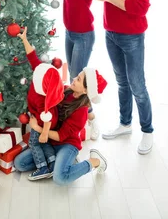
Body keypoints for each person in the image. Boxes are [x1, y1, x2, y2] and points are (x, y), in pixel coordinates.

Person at [87, 0, 154, 155]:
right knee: (122, 82)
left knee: (137, 85)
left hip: (131, 37)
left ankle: (147, 131)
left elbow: (141, 7)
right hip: (111, 33)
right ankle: (125, 124)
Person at [34, 0, 104, 140]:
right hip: (71, 33)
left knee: (76, 80)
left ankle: (91, 120)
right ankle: (84, 117)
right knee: (74, 79)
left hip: (83, 36)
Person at [13, 39, 109, 185]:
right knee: (20, 163)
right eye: (77, 77)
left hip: (66, 144)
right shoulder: (64, 90)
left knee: (60, 178)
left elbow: (61, 135)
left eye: (78, 79)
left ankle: (95, 161)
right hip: (49, 142)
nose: (74, 79)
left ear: (85, 90)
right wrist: (25, 40)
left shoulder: (81, 113)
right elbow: (37, 65)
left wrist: (38, 129)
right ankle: (58, 162)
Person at [17, 27, 64, 180]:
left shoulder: (43, 98)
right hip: (42, 118)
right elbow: (32, 55)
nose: (34, 70)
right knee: (42, 143)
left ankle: (42, 167)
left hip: (44, 121)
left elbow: (47, 117)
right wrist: (24, 39)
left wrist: (43, 132)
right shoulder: (41, 71)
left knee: (35, 143)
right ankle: (52, 163)